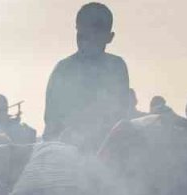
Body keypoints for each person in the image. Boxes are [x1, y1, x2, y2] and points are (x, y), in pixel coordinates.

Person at [43, 2, 130, 146]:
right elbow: (52, 121)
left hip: (106, 149)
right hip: (65, 148)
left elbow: (120, 115)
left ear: (109, 37)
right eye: (82, 36)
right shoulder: (63, 70)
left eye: (94, 37)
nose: (86, 43)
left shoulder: (116, 67)